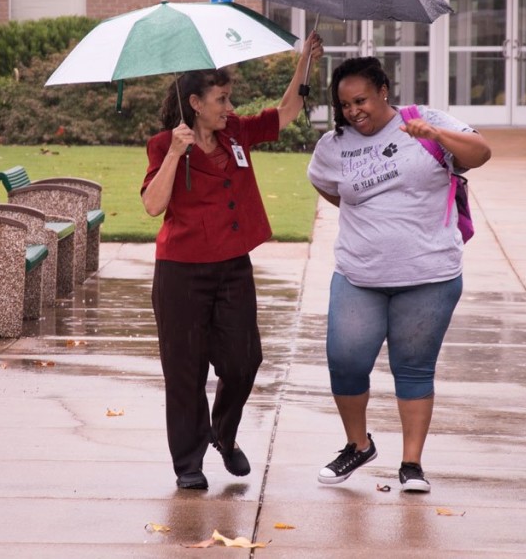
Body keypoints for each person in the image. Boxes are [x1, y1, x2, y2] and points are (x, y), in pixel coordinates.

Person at [141, 31, 324, 490]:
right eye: (221, 99)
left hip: (232, 268)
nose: (229, 107)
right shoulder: (165, 145)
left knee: (244, 361)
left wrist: (304, 63)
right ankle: (188, 462)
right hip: (181, 273)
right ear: (196, 103)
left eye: (229, 99)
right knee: (185, 371)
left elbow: (285, 113)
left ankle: (222, 433)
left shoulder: (236, 132)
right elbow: (151, 206)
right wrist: (176, 154)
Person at [306, 56, 491, 493]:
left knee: (413, 368)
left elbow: (480, 153)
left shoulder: (424, 120)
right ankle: (358, 445)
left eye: (362, 100)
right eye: (346, 104)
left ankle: (412, 464)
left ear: (384, 90)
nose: (354, 111)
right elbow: (326, 186)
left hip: (429, 275)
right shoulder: (333, 145)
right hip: (359, 274)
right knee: (346, 362)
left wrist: (435, 135)